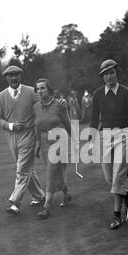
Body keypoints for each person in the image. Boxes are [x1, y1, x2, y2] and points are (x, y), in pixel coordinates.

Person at [89, 59, 128, 230]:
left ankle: (117, 215)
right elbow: (94, 119)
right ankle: (126, 196)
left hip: (124, 135)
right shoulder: (98, 94)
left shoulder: (126, 93)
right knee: (110, 177)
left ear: (116, 73)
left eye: (112, 72)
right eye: (106, 74)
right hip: (104, 136)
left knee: (118, 176)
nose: (109, 76)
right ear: (102, 77)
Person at [0, 65, 45, 215]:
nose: (13, 78)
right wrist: (10, 126)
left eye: (16, 75)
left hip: (28, 135)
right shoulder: (1, 96)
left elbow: (43, 106)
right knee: (27, 168)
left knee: (21, 169)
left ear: (20, 76)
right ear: (6, 78)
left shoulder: (31, 92)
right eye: (10, 75)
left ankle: (15, 202)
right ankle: (39, 196)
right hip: (11, 136)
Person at [33, 79, 77, 219]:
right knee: (55, 171)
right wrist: (38, 144)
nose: (39, 91)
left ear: (49, 90)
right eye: (38, 89)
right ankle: (66, 194)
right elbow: (37, 127)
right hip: (46, 143)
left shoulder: (60, 105)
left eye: (42, 88)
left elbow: (67, 123)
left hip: (59, 140)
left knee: (51, 172)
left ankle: (46, 206)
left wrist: (75, 141)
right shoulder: (36, 107)